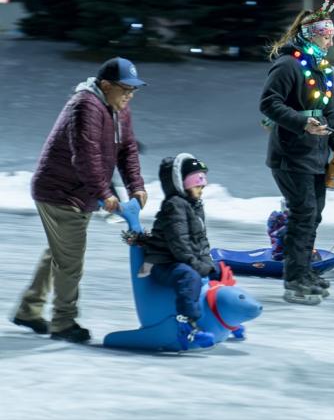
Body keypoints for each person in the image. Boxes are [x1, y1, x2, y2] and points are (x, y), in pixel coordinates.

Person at [12, 57, 148, 343]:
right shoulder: (85, 105)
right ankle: (63, 322)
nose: (130, 95)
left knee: (60, 253)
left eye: (133, 90)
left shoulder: (118, 108)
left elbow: (127, 150)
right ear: (106, 84)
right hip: (60, 191)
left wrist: (136, 186)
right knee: (71, 261)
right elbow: (86, 156)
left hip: (79, 191)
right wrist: (105, 193)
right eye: (125, 89)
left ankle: (29, 309)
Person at [259, 0, 334, 305]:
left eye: (332, 37)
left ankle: (304, 270)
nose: (330, 43)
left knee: (314, 215)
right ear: (312, 35)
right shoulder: (288, 65)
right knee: (303, 213)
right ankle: (295, 279)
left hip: (317, 154)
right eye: (327, 36)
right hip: (290, 155)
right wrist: (302, 123)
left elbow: (332, 110)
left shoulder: (321, 70)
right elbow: (269, 104)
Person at [141, 154, 217, 349]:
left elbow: (201, 242)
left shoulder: (195, 206)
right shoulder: (175, 205)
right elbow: (179, 244)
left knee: (219, 273)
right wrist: (199, 266)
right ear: (180, 183)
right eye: (196, 182)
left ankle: (224, 320)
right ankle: (186, 328)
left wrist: (208, 264)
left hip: (182, 261)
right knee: (189, 277)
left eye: (203, 182)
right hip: (164, 263)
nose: (202, 187)